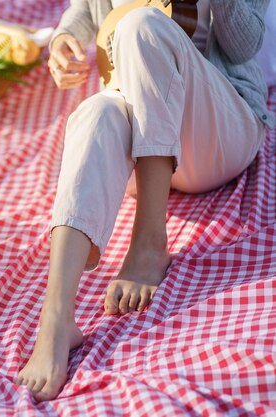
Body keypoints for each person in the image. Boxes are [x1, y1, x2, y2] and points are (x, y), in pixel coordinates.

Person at [15, 0, 274, 402]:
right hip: (140, 142)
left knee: (142, 25)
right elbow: (83, 10)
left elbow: (244, 46)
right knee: (95, 112)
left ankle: (150, 241)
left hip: (219, 135)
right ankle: (56, 317)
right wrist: (65, 39)